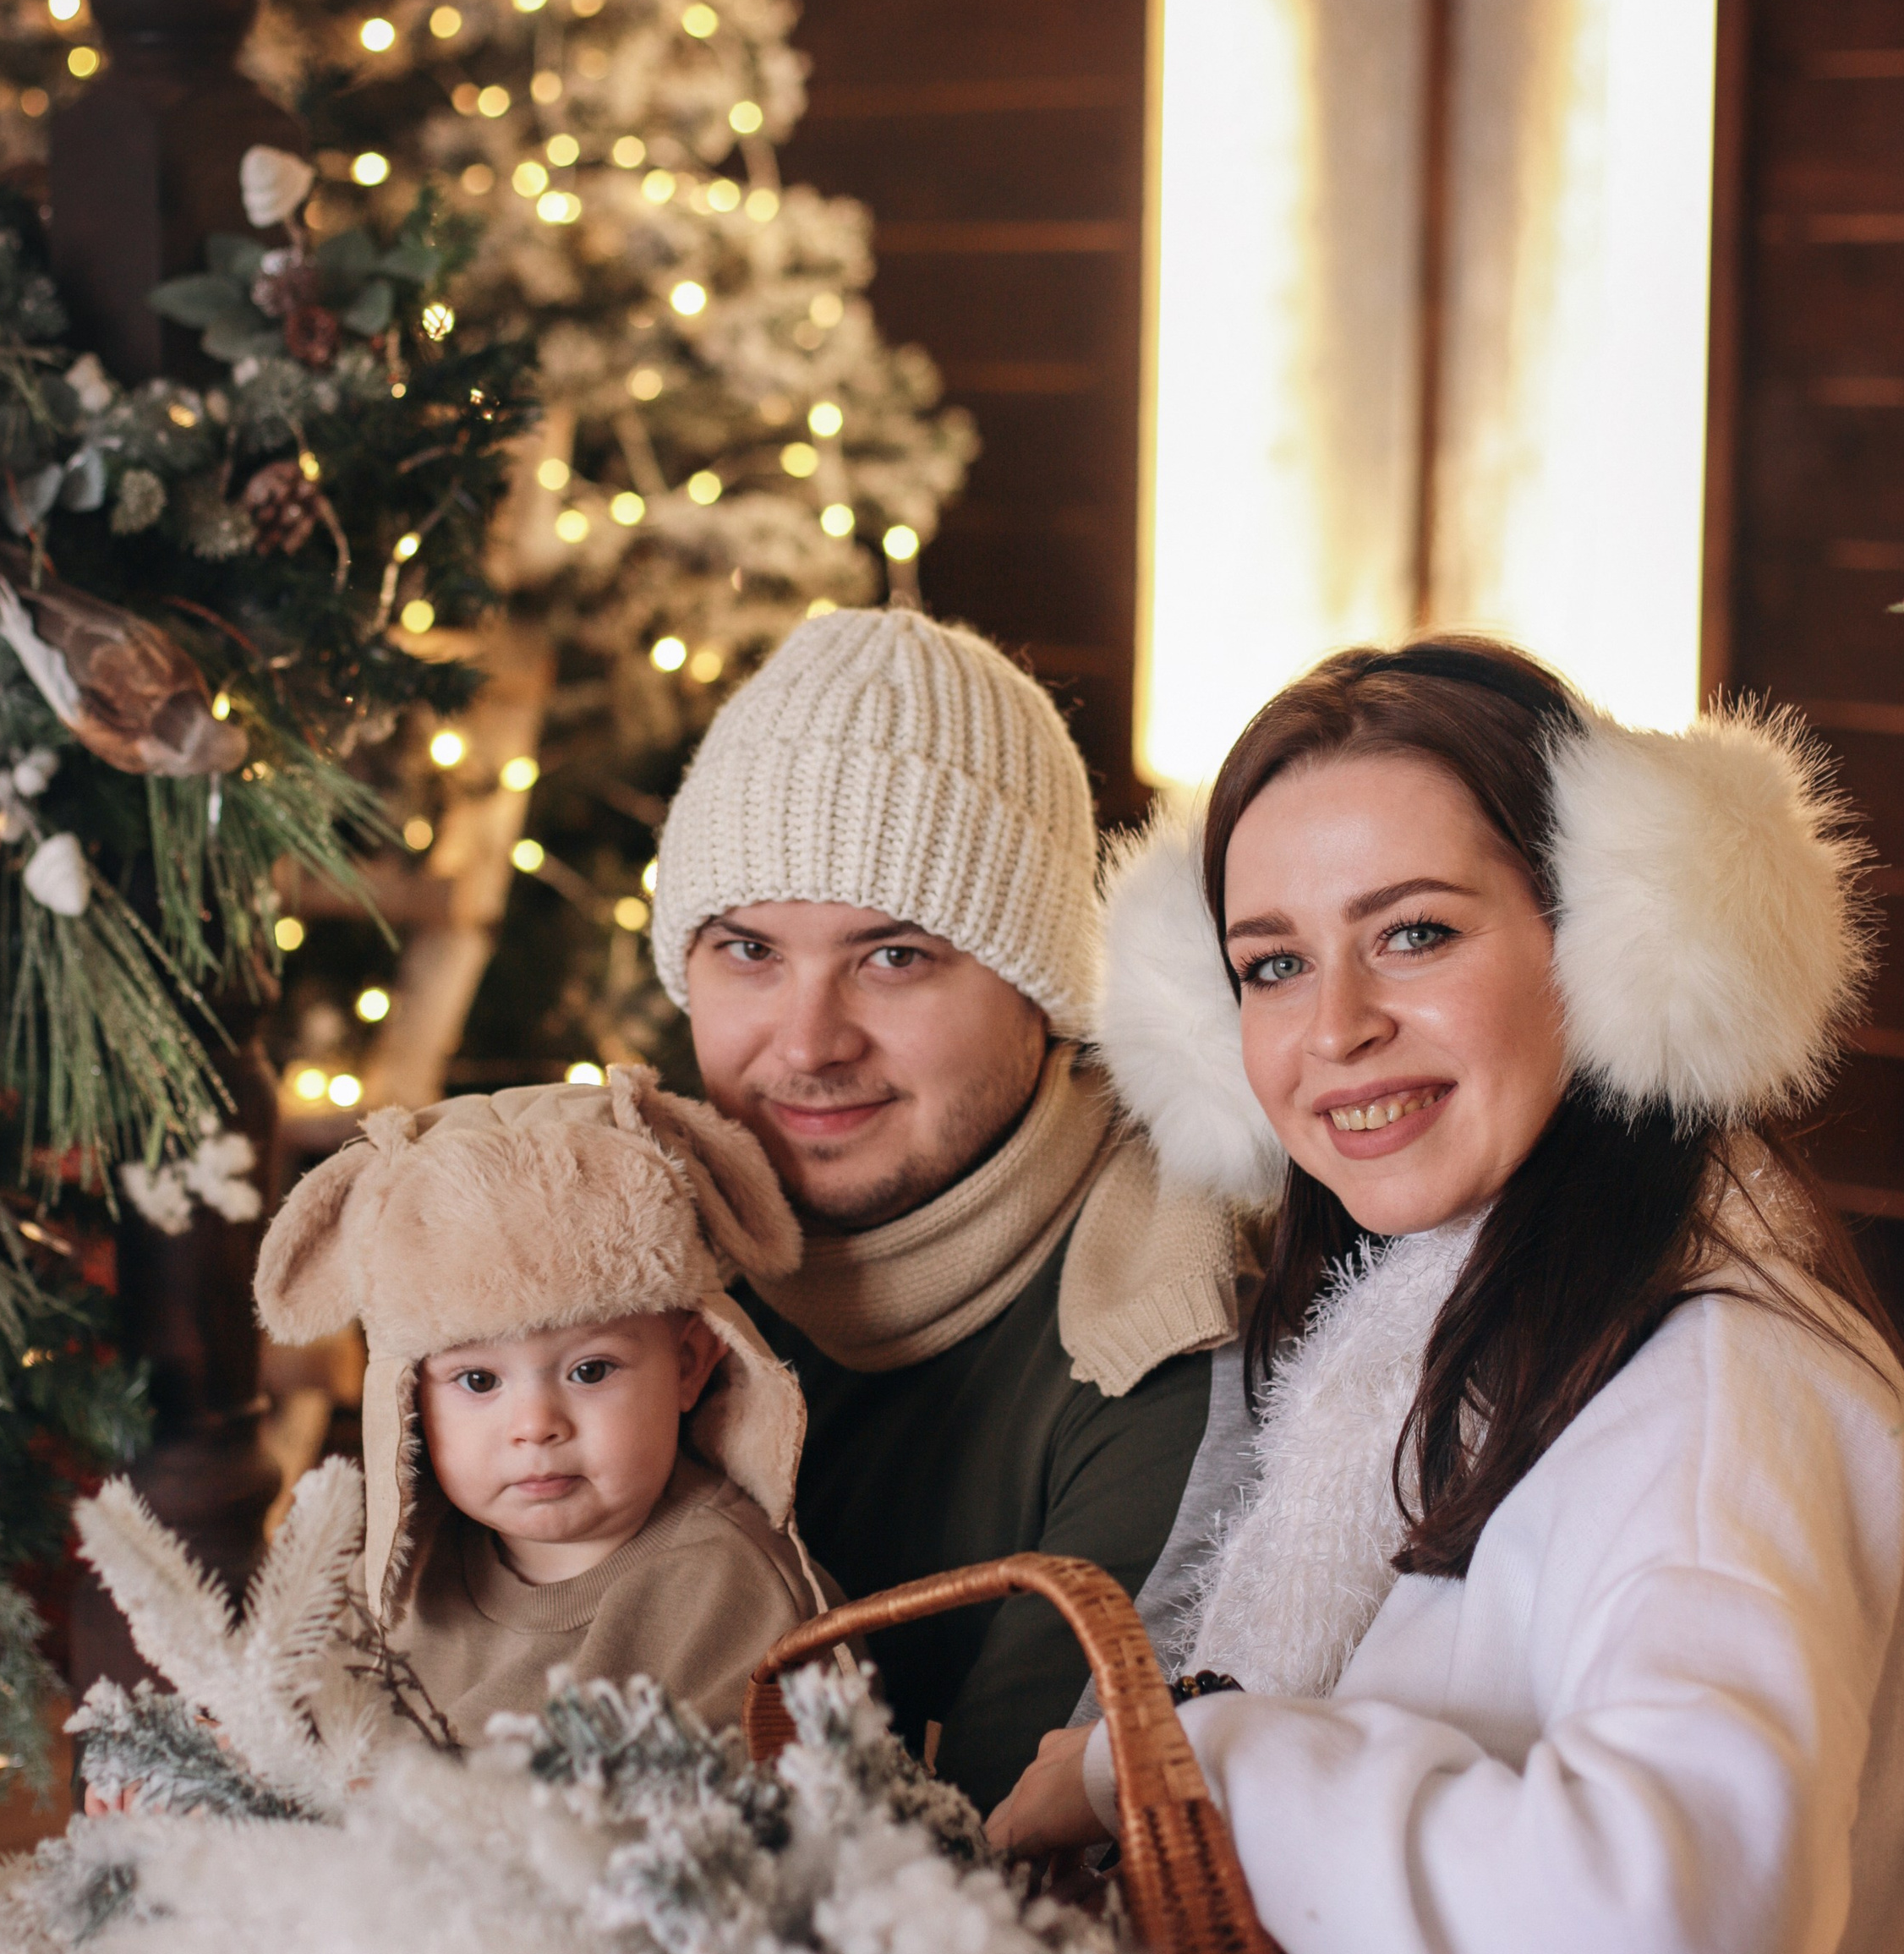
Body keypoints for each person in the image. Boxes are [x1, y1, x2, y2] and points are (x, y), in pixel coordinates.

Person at [988, 637, 1904, 1954]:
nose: (1330, 1028)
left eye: (1411, 933)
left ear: (1607, 946)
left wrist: (1197, 1769)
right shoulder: (1452, 1349)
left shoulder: (1712, 1391)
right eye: (1269, 964)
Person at [649, 605, 1255, 1814]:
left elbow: (996, 1873)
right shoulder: (632, 1243)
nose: (808, 1046)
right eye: (748, 951)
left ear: (1045, 989)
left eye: (895, 957)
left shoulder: (1157, 1321)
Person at [252, 1068, 821, 1738]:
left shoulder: (725, 1588)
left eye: (590, 1370)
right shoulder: (397, 1572)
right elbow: (289, 1739)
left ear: (689, 1366)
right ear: (408, 1397)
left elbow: (746, 1813)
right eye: (478, 1382)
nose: (535, 1427)